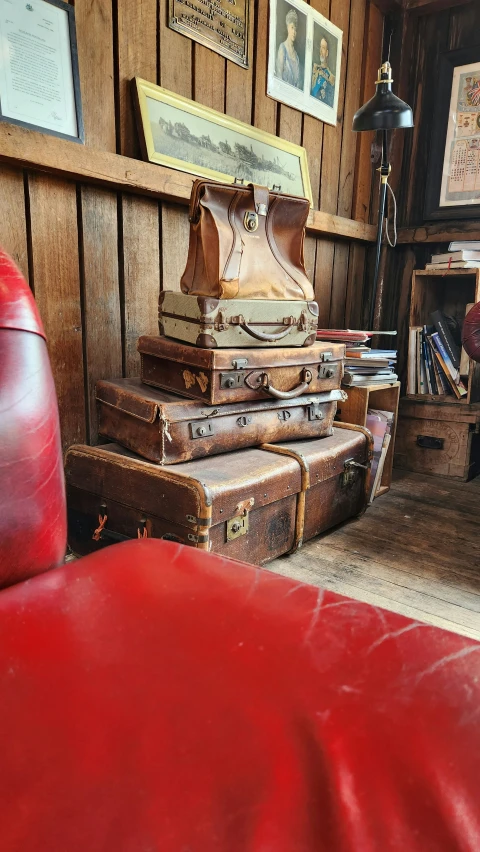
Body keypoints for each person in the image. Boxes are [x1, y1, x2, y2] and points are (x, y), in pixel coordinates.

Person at [275, 8, 302, 90]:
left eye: (295, 29)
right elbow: (279, 75)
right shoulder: (282, 48)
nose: (294, 32)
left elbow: (299, 83)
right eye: (292, 27)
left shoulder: (296, 56)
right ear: (288, 28)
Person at [311, 36, 335, 107]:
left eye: (323, 48)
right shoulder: (314, 69)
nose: (321, 50)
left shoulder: (330, 77)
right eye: (320, 47)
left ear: (327, 53)